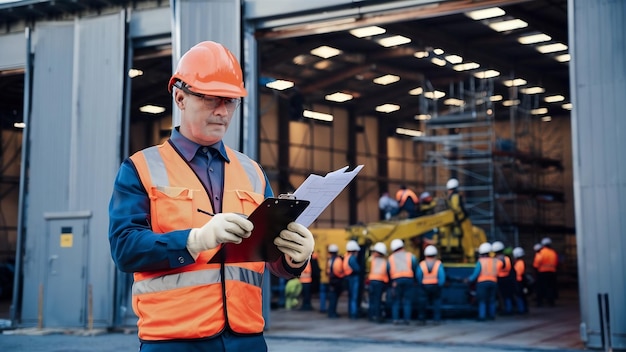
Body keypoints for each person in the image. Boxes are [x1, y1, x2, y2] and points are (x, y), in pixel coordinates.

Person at [108, 41, 315, 352]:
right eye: (210, 99)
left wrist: (294, 258)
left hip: (247, 339)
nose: (222, 111)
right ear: (180, 97)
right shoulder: (140, 168)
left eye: (230, 101)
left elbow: (269, 257)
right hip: (174, 340)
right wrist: (194, 240)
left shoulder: (253, 173)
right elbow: (125, 249)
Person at [387, 239, 418, 325]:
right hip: (409, 280)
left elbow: (388, 270)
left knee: (396, 301)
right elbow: (415, 267)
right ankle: (407, 319)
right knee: (407, 301)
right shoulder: (410, 256)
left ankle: (395, 319)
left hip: (396, 281)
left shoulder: (391, 258)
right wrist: (415, 280)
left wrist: (391, 282)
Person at [466, 242, 498, 321]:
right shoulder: (494, 261)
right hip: (493, 282)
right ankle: (492, 315)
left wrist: (468, 280)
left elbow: (476, 273)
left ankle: (482, 316)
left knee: (482, 300)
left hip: (482, 283)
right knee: (492, 300)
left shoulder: (480, 261)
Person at [445, 178, 474, 262]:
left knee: (466, 239)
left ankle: (469, 256)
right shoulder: (454, 196)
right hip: (462, 220)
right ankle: (469, 256)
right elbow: (455, 208)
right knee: (466, 238)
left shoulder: (452, 197)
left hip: (461, 221)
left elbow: (454, 208)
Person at [416, 245, 446, 325]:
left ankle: (422, 319)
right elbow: (442, 277)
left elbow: (418, 276)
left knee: (422, 304)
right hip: (435, 286)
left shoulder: (422, 264)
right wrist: (440, 285)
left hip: (424, 287)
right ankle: (436, 320)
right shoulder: (438, 264)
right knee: (436, 303)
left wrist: (421, 284)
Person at [367, 242, 389, 323]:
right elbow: (386, 273)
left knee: (372, 300)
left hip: (372, 281)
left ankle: (371, 316)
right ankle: (377, 316)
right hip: (380, 282)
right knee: (377, 300)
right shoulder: (384, 262)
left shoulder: (372, 260)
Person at [492, 241, 515, 315]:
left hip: (500, 279)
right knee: (507, 295)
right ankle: (509, 309)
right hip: (508, 278)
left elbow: (495, 270)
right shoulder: (507, 258)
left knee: (502, 296)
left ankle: (505, 309)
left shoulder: (498, 260)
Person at [533, 237, 558, 307]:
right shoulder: (553, 252)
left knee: (540, 288)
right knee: (550, 288)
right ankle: (551, 302)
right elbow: (556, 263)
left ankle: (539, 302)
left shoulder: (541, 253)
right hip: (552, 273)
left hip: (542, 273)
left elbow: (536, 264)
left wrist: (535, 271)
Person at [343, 240, 362, 319]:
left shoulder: (346, 257)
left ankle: (351, 312)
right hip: (354, 278)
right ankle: (354, 314)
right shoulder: (352, 258)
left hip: (348, 278)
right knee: (354, 297)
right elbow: (357, 268)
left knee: (351, 297)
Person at [326, 244, 345, 318]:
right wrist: (342, 275)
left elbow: (327, 271)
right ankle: (332, 313)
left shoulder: (329, 260)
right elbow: (338, 270)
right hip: (336, 281)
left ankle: (331, 312)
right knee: (334, 298)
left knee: (332, 297)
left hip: (331, 280)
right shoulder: (338, 260)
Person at [512, 247, 528, 314]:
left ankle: (521, 309)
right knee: (521, 296)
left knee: (520, 296)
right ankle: (523, 309)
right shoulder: (520, 262)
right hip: (520, 281)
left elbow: (518, 273)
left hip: (519, 282)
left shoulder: (519, 263)